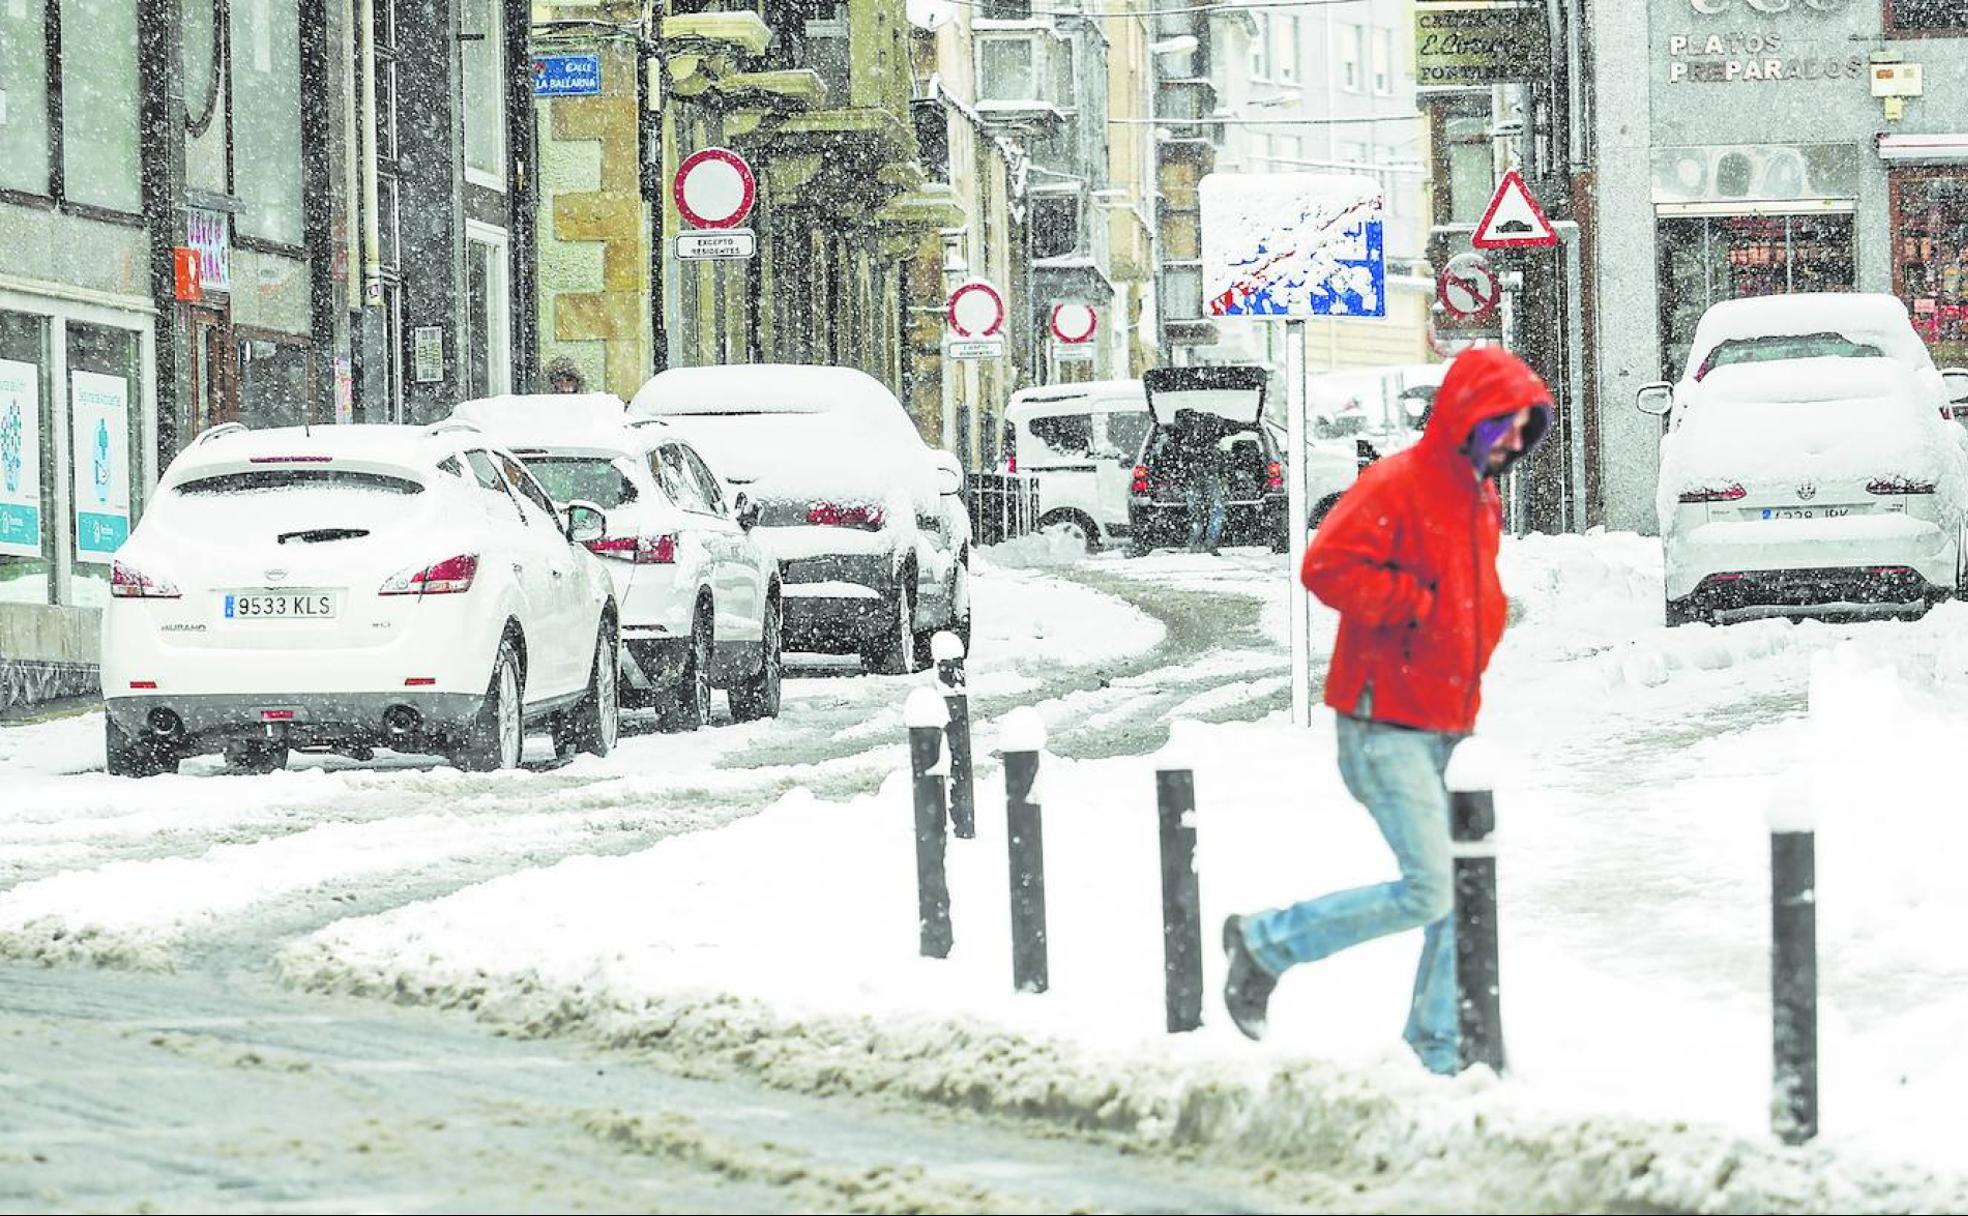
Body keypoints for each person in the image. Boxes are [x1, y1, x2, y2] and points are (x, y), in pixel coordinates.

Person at [1220, 346, 1552, 1075]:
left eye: (1523, 430)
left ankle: (1435, 1053)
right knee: (1434, 886)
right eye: (1502, 426)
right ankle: (1266, 942)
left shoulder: (1477, 495)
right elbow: (1325, 565)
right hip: (1384, 722)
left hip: (1446, 723)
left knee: (1456, 893)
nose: (1511, 443)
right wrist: (1416, 609)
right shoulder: (1398, 482)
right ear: (1468, 419)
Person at [1170, 409, 1229, 554]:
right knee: (1216, 510)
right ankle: (1210, 543)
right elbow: (1231, 428)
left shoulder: (1179, 432)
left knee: (1196, 512)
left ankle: (1195, 544)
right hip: (1209, 473)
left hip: (1193, 475)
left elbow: (1175, 454)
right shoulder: (1211, 423)